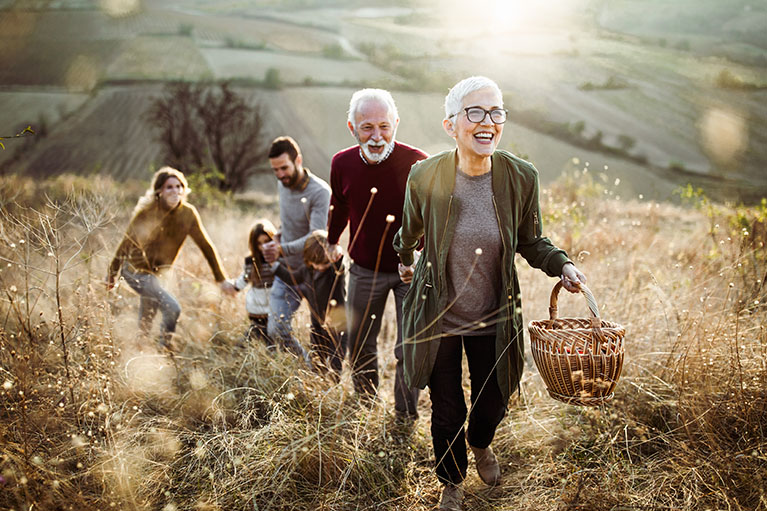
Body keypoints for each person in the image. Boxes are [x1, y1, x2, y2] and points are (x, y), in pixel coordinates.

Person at [393, 76, 587, 511]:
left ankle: (481, 443)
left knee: (493, 399)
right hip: (437, 314)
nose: (488, 122)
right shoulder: (426, 175)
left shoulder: (520, 177)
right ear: (451, 125)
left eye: (496, 112)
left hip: (494, 314)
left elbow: (532, 240)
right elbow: (408, 232)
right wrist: (404, 258)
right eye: (475, 112)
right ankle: (452, 482)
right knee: (447, 411)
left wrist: (563, 265)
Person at [327, 88, 427, 418]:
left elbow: (433, 217)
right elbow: (339, 206)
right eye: (367, 126)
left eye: (384, 125)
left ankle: (405, 417)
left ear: (396, 123)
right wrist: (332, 240)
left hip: (408, 271)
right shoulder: (341, 163)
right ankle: (366, 407)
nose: (376, 135)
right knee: (360, 344)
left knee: (409, 347)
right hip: (364, 269)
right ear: (351, 127)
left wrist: (419, 259)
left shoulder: (417, 162)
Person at [107, 166, 235, 349]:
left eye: (179, 186)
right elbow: (125, 244)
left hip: (158, 275)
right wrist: (111, 274)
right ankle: (164, 348)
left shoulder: (188, 214)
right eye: (169, 187)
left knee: (147, 318)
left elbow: (206, 246)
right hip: (136, 271)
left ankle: (140, 353)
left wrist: (221, 279)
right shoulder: (147, 213)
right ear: (159, 191)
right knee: (172, 307)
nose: (176, 191)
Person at [263, 136, 331, 362]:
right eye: (275, 170)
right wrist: (278, 238)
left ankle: (321, 377)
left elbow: (316, 238)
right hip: (287, 272)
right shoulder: (282, 184)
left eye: (284, 168)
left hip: (314, 274)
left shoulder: (320, 192)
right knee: (275, 330)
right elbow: (288, 222)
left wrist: (281, 249)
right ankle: (305, 366)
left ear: (298, 160)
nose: (280, 175)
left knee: (324, 335)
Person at [272, 230, 347, 378]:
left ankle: (331, 391)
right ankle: (318, 385)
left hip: (337, 327)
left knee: (334, 363)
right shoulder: (308, 270)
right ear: (308, 260)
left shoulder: (334, 272)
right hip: (317, 325)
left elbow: (340, 266)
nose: (320, 267)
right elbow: (292, 277)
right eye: (315, 264)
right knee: (317, 359)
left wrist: (336, 254)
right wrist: (274, 267)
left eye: (324, 263)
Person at [230, 219, 278, 347]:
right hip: (256, 307)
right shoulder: (251, 261)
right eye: (259, 243)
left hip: (273, 307)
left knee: (272, 337)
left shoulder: (277, 260)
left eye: (267, 242)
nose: (263, 247)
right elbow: (244, 278)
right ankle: (242, 347)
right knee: (257, 333)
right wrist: (235, 287)